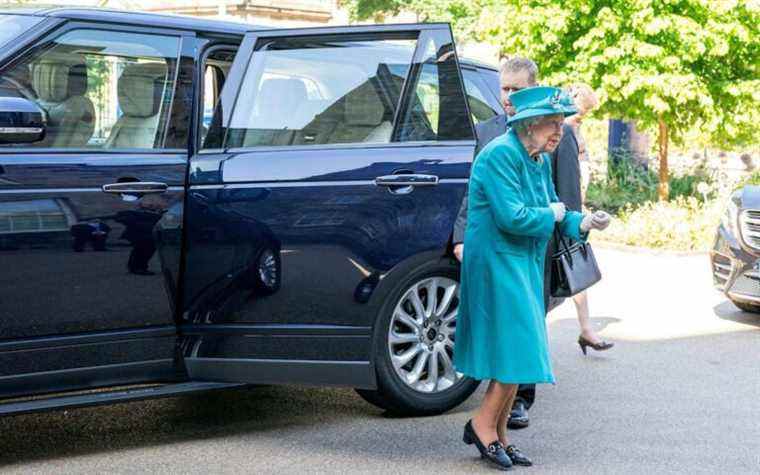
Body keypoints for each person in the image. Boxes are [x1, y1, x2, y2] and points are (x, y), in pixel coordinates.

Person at [453, 86, 611, 470]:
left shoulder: (537, 158)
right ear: (528, 124)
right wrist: (556, 215)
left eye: (560, 123)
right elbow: (513, 217)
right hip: (496, 262)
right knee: (517, 349)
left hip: (520, 262)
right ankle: (481, 426)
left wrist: (584, 222)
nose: (559, 131)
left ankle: (498, 433)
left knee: (518, 351)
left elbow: (555, 209)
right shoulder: (499, 156)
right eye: (552, 124)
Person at [453, 57, 540, 430]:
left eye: (516, 89)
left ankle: (520, 399)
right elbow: (470, 190)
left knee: (528, 324)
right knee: (508, 325)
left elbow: (565, 190)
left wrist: (573, 233)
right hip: (496, 241)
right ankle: (495, 421)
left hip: (537, 240)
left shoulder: (552, 131)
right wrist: (460, 236)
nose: (507, 96)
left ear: (532, 88)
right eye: (504, 88)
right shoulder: (487, 131)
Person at [564, 84, 613, 353]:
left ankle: (586, 329)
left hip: (575, 210)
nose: (581, 119)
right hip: (568, 212)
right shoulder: (562, 129)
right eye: (581, 114)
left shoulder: (573, 128)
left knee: (576, 268)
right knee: (571, 268)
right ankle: (585, 329)